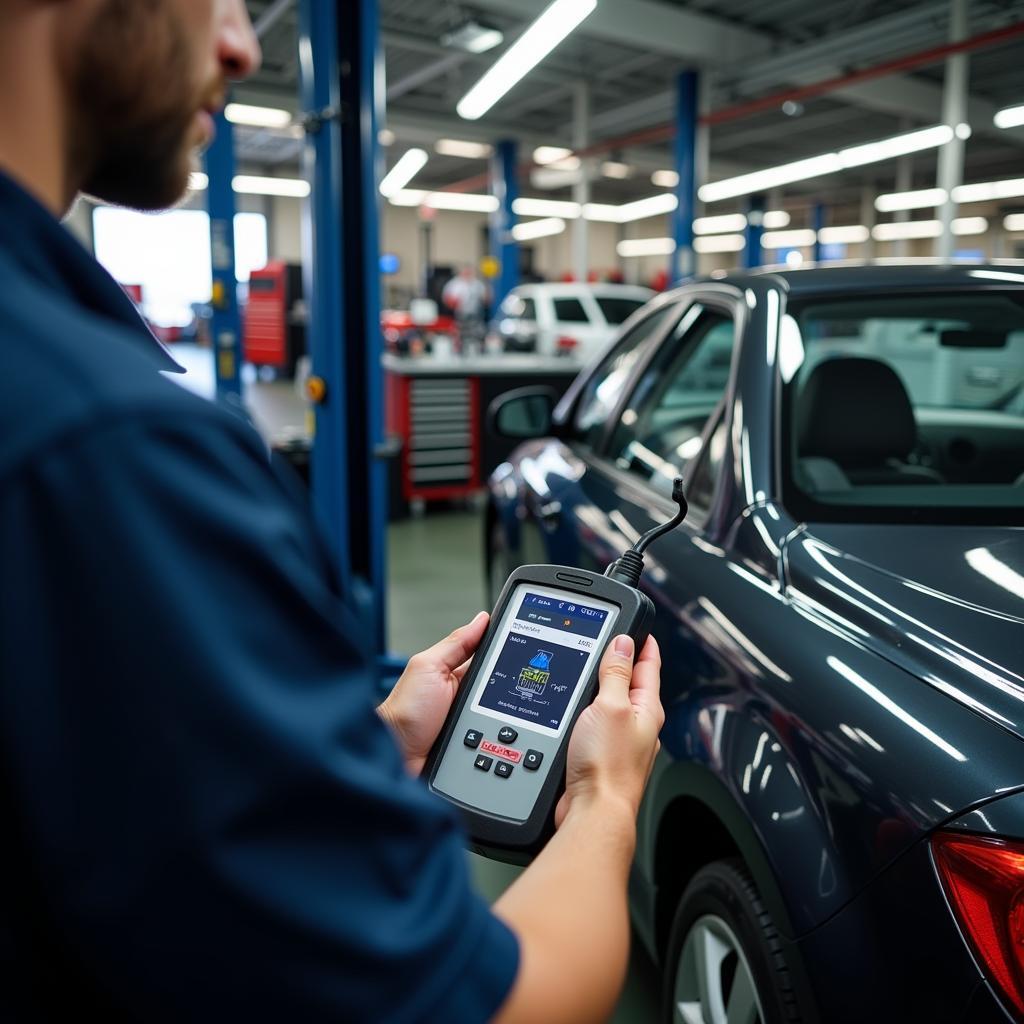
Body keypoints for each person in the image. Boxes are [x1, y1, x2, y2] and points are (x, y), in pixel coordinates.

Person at [0, 2, 664, 1022]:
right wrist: (605, 802)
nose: (243, 43)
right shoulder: (112, 444)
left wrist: (375, 732)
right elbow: (480, 1007)